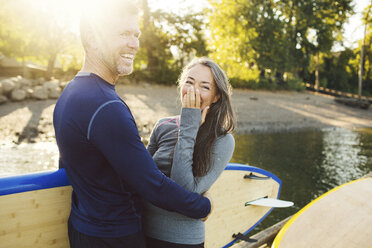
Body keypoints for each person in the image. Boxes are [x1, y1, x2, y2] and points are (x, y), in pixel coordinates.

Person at [53, 2, 211, 248]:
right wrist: (202, 206)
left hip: (83, 229)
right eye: (123, 34)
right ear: (93, 38)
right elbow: (151, 184)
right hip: (115, 237)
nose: (135, 44)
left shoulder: (71, 93)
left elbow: (71, 163)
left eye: (136, 35)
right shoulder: (105, 106)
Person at [144, 57, 236, 248]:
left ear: (216, 96)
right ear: (181, 86)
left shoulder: (223, 140)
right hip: (142, 232)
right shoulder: (163, 125)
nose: (194, 91)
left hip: (182, 242)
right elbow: (142, 178)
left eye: (204, 87)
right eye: (189, 82)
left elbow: (184, 192)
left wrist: (189, 126)